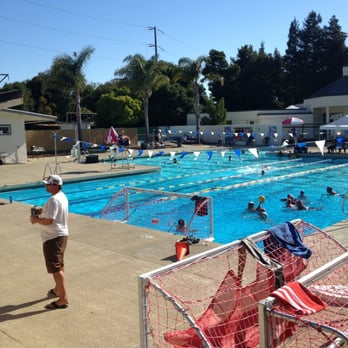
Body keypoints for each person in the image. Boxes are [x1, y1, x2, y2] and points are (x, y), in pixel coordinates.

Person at [30, 175, 69, 310]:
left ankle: (63, 299)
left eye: (48, 184)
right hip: (61, 235)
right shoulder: (61, 196)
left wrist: (36, 220)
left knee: (55, 268)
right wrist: (43, 211)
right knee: (59, 264)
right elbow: (54, 214)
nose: (46, 186)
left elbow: (49, 221)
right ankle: (58, 290)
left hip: (53, 237)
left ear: (56, 185)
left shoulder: (53, 200)